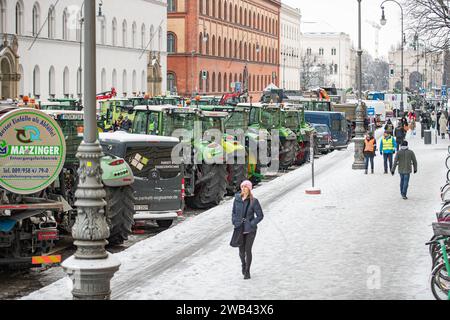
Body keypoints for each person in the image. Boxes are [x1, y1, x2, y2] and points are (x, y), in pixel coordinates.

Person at [232, 180, 264, 280]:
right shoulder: (237, 199)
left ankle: (247, 271)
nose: (243, 188)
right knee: (241, 252)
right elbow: (233, 212)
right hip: (239, 229)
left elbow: (260, 216)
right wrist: (235, 222)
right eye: (242, 187)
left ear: (249, 189)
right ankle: (243, 264)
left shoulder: (254, 201)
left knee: (247, 250)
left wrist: (251, 223)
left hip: (250, 230)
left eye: (246, 187)